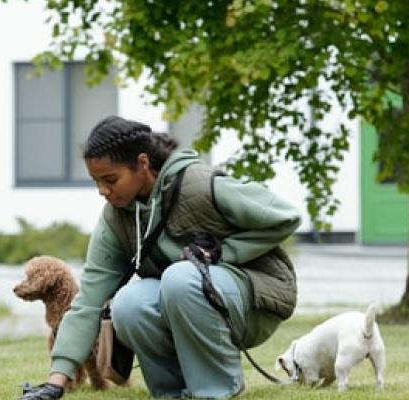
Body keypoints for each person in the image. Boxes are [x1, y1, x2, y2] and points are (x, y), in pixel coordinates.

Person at [19, 116, 301, 399]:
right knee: (129, 303)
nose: (103, 191)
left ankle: (214, 392)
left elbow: (285, 217)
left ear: (142, 164)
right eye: (96, 182)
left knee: (180, 277)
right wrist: (55, 384)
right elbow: (88, 301)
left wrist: (225, 252)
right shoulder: (116, 218)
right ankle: (172, 393)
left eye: (110, 180)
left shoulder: (199, 183)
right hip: (188, 298)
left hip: (255, 301)